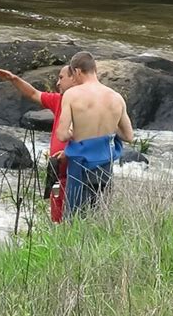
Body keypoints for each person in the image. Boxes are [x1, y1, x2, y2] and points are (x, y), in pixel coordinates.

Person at [0, 66, 75, 223]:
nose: (58, 82)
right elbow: (33, 93)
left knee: (73, 218)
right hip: (56, 171)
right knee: (57, 219)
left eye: (61, 78)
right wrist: (13, 79)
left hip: (74, 172)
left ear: (74, 78)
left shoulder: (83, 105)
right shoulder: (59, 100)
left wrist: (69, 152)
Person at [56, 51, 134, 217]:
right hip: (105, 165)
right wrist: (110, 128)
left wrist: (73, 131)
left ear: (77, 71)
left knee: (74, 218)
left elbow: (62, 135)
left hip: (80, 164)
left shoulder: (72, 95)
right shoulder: (116, 97)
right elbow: (128, 136)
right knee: (99, 215)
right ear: (94, 69)